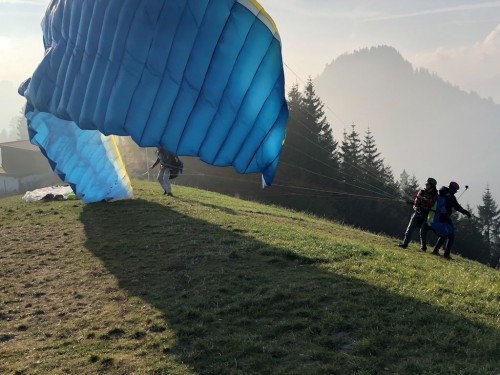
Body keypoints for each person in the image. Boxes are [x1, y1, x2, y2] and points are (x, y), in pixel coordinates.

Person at [430, 181, 471, 259]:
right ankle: (446, 254)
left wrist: (465, 212)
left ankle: (436, 250)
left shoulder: (448, 194)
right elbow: (457, 206)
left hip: (442, 217)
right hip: (442, 217)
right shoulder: (447, 193)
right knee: (451, 236)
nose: (455, 192)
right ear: (452, 188)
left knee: (444, 235)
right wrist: (466, 212)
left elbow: (456, 206)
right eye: (455, 190)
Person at [398, 177, 438, 251]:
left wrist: (425, 200)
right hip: (418, 212)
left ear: (432, 186)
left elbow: (431, 203)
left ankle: (423, 248)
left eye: (428, 184)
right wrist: (415, 207)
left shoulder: (435, 195)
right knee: (409, 229)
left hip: (427, 215)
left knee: (422, 232)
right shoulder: (422, 192)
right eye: (426, 184)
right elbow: (416, 202)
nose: (426, 185)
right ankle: (405, 244)